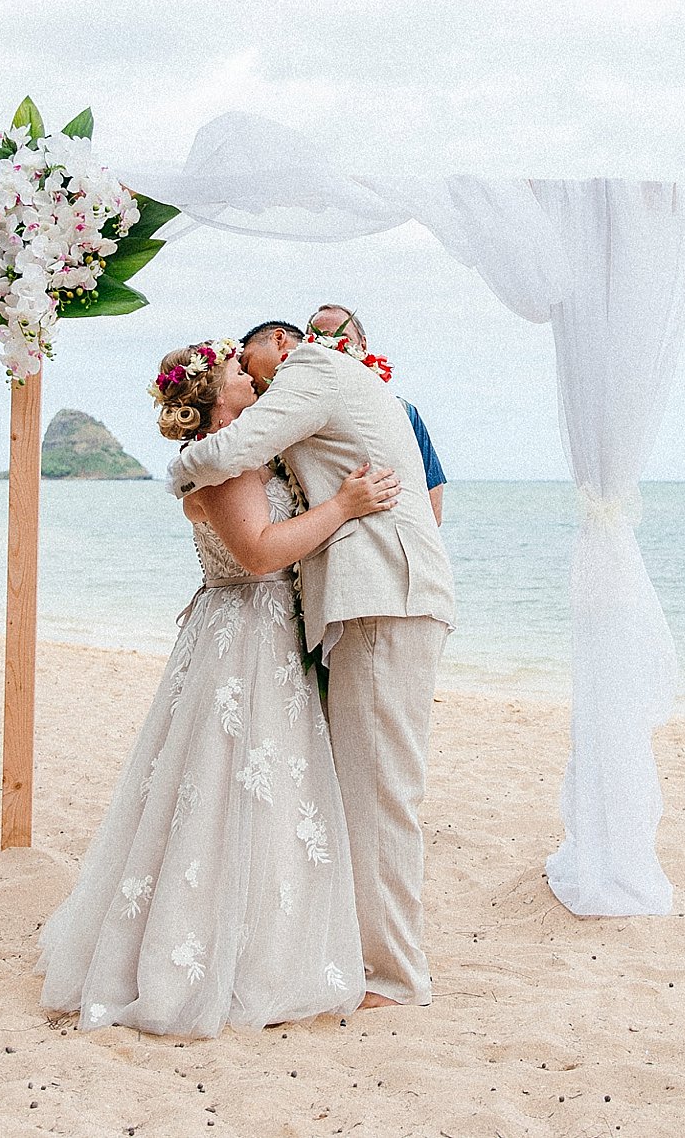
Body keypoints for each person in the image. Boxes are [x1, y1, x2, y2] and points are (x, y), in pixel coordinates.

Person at [39, 338, 401, 1035]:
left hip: (245, 631)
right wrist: (345, 506)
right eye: (239, 369)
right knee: (234, 788)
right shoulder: (225, 462)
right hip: (247, 633)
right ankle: (232, 955)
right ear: (211, 396)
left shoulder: (241, 452)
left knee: (250, 792)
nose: (251, 373)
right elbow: (260, 551)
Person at [174, 319, 456, 1009]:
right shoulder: (326, 397)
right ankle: (364, 959)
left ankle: (392, 975)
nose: (252, 364)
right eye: (239, 363)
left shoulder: (314, 370)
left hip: (385, 592)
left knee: (382, 789)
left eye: (257, 351)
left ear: (286, 346)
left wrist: (178, 468)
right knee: (361, 786)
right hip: (368, 597)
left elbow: (235, 448)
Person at [307, 304, 447, 525]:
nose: (333, 348)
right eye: (321, 340)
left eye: (341, 337)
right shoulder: (302, 414)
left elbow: (432, 511)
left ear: (362, 345)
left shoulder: (404, 412)